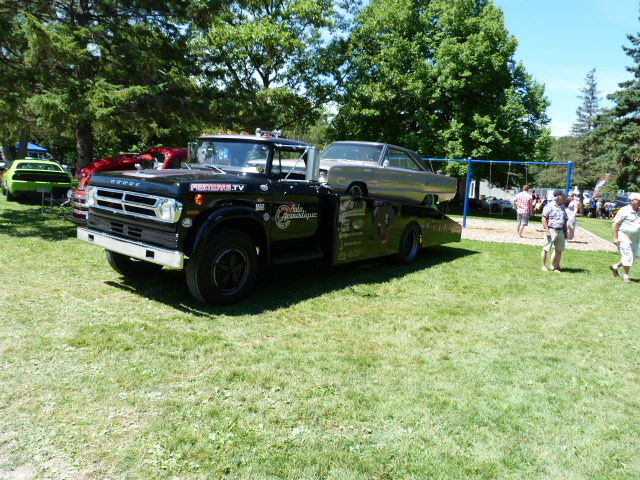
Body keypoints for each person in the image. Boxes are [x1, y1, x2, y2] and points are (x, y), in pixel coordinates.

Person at [609, 192, 640, 283]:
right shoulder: (624, 210)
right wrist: (615, 238)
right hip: (624, 236)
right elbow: (615, 224)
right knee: (628, 256)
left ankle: (615, 267)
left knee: (632, 258)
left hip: (635, 238)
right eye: (638, 200)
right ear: (632, 201)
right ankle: (626, 276)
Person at [541, 189, 568, 272]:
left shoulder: (562, 206)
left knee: (559, 250)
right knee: (546, 249)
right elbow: (544, 218)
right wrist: (547, 231)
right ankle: (543, 266)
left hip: (560, 231)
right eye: (563, 196)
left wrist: (565, 231)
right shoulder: (549, 206)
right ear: (559, 197)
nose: (565, 198)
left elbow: (565, 219)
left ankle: (556, 267)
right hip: (551, 230)